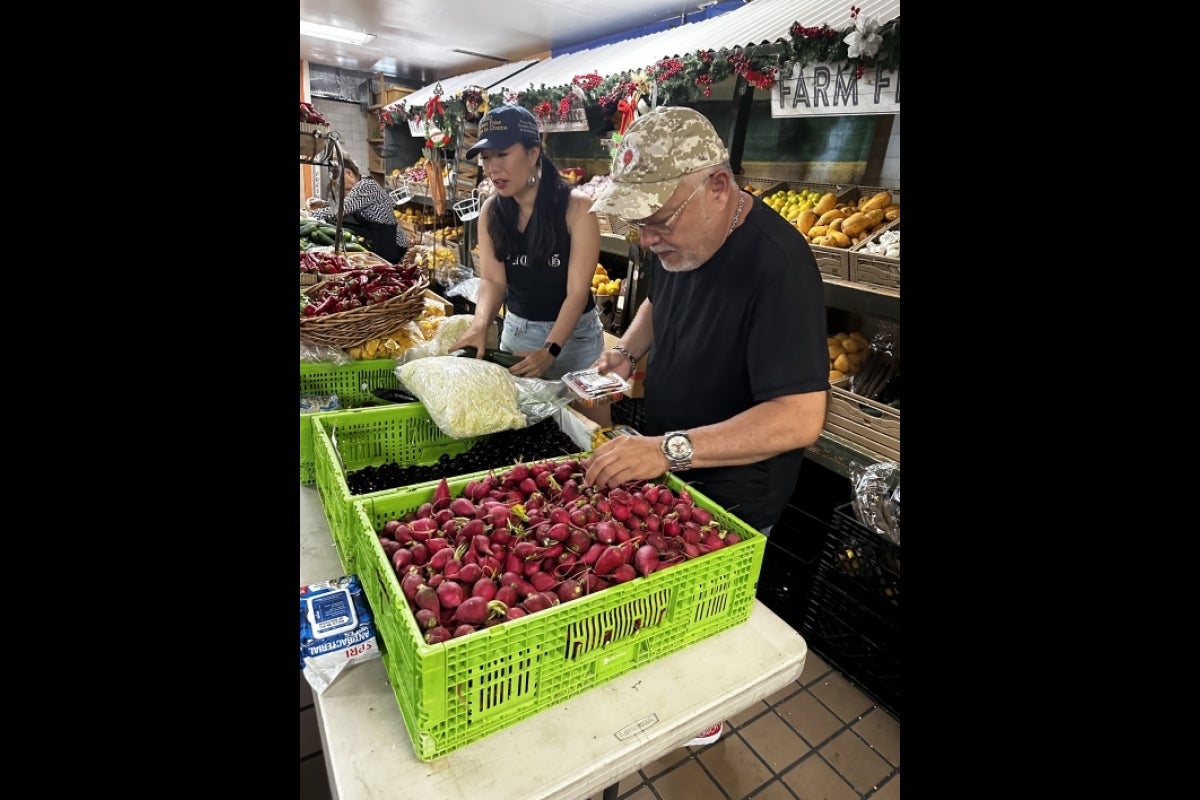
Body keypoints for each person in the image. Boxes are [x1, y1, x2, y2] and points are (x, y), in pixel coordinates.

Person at [585, 106, 830, 745]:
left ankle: (702, 714)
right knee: (655, 603)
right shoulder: (687, 242)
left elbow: (800, 418)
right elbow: (660, 300)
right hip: (672, 458)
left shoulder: (779, 268)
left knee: (703, 623)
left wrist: (668, 450)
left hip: (734, 490)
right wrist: (625, 354)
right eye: (637, 222)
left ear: (718, 186)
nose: (647, 238)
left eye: (658, 219)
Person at [447, 104, 610, 425]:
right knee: (524, 433)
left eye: (502, 155)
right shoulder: (492, 211)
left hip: (577, 340)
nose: (492, 168)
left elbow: (577, 291)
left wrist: (550, 349)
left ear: (534, 152)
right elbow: (493, 281)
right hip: (519, 335)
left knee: (592, 434)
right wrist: (480, 325)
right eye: (486, 158)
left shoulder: (577, 208)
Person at [307, 156, 408, 263]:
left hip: (392, 244)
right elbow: (348, 205)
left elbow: (341, 210)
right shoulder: (362, 185)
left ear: (349, 173)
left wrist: (312, 216)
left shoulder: (366, 185)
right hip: (382, 240)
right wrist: (323, 204)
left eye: (337, 178)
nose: (337, 182)